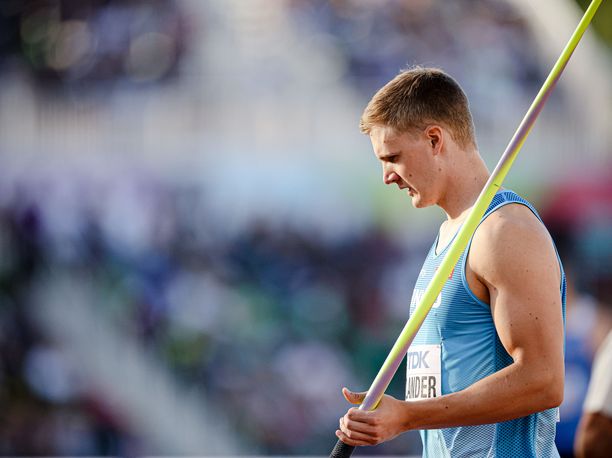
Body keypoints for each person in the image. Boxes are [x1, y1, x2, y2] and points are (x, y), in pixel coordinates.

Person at [336, 67, 566, 457]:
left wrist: (407, 416)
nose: (386, 177)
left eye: (392, 157)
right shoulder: (448, 236)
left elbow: (543, 379)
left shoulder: (504, 231)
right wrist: (391, 412)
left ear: (434, 139)